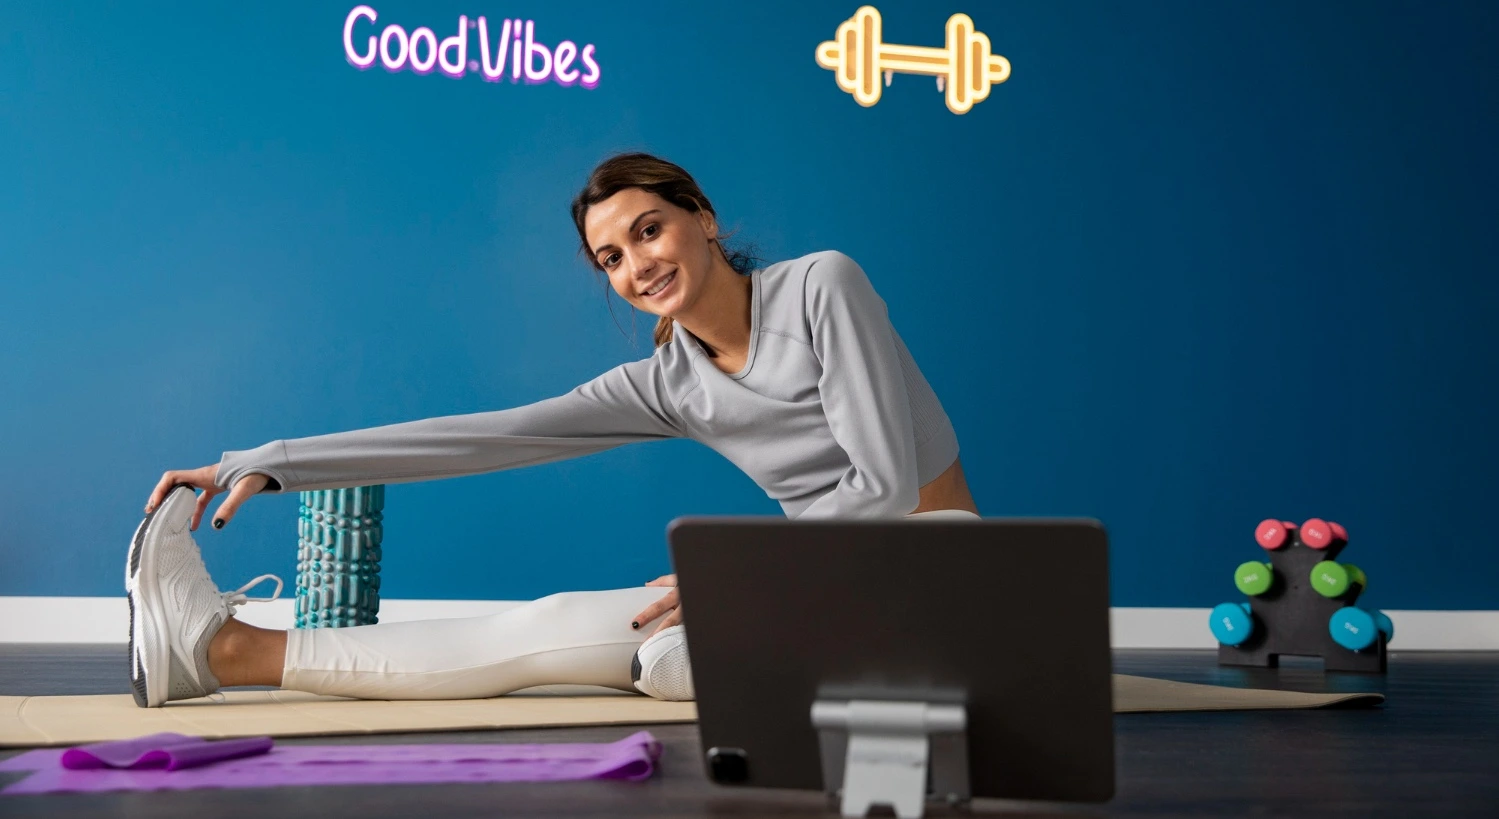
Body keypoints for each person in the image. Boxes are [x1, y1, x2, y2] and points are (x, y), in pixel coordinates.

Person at [129, 152, 978, 709]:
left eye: (649, 230)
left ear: (703, 218)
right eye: (612, 258)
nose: (637, 264)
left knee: (634, 641)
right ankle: (218, 651)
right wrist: (267, 461)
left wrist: (738, 576)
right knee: (544, 624)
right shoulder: (669, 383)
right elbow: (481, 436)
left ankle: (727, 658)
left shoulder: (823, 287)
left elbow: (884, 487)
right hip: (800, 584)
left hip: (930, 572)